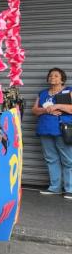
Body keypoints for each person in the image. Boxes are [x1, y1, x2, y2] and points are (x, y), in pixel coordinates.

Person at [31, 67, 72, 198]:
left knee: (68, 160)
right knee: (51, 159)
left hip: (62, 130)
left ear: (62, 79)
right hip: (45, 129)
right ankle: (55, 188)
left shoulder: (68, 91)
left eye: (56, 76)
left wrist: (57, 106)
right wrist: (46, 110)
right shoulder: (42, 93)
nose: (52, 78)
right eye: (51, 76)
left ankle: (69, 189)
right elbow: (35, 110)